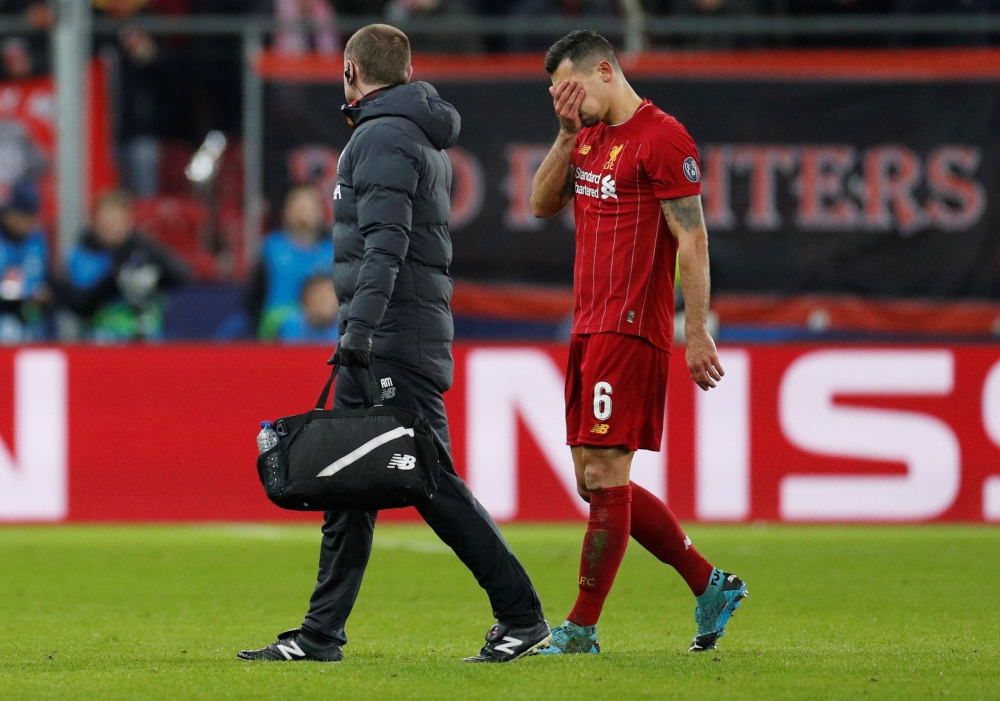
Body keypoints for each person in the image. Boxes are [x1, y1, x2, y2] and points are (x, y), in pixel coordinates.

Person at [238, 23, 549, 664]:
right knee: (346, 488)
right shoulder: (407, 132)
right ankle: (321, 634)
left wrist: (356, 331)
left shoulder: (380, 136)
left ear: (352, 70)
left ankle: (522, 615)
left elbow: (385, 245)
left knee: (428, 481)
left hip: (387, 338)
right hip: (390, 332)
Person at [528, 31, 747, 655]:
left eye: (571, 89)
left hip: (631, 328)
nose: (565, 101)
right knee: (593, 482)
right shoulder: (588, 137)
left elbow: (693, 239)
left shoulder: (663, 137)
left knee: (603, 472)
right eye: (555, 94)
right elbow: (541, 204)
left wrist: (696, 329)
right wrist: (567, 134)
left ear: (605, 69)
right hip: (588, 326)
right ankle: (710, 585)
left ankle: (580, 629)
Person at [55, 190, 190, 341]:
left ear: (128, 221)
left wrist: (153, 274)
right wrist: (115, 280)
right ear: (95, 222)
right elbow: (79, 304)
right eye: (106, 223)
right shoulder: (82, 255)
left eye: (117, 222)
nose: (111, 229)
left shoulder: (145, 248)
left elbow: (182, 276)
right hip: (99, 339)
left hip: (147, 338)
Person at [245, 185, 334, 339]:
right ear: (286, 211)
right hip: (280, 332)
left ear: (320, 211)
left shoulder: (333, 251)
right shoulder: (272, 248)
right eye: (298, 205)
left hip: (327, 329)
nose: (303, 210)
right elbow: (253, 298)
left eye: (309, 205)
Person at [0, 179, 47, 342]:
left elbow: (40, 278)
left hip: (27, 310)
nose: (26, 222)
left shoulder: (37, 240)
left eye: (30, 216)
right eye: (21, 215)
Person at [277, 273, 340, 343]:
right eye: (318, 293)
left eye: (331, 292)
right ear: (305, 299)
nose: (325, 299)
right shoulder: (291, 327)